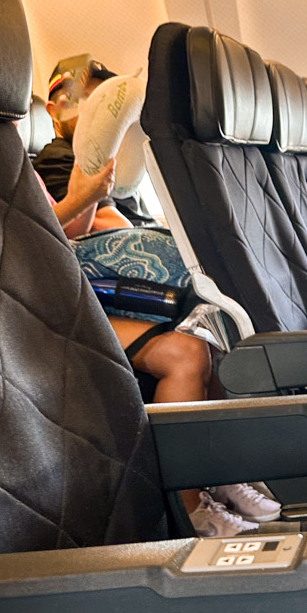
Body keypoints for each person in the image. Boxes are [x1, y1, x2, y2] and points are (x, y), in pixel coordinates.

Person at [32, 98, 279, 537]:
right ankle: (191, 508)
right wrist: (78, 199)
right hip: (36, 308)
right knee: (183, 356)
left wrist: (88, 197)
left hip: (64, 289)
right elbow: (20, 243)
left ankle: (219, 472)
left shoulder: (17, 167)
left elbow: (64, 237)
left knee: (204, 338)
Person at [38, 54, 154, 227]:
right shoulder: (59, 157)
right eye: (83, 98)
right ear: (54, 112)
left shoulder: (113, 158)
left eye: (103, 99)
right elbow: (111, 224)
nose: (97, 109)